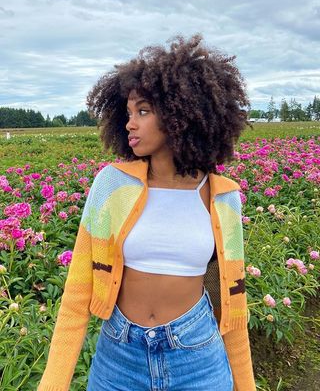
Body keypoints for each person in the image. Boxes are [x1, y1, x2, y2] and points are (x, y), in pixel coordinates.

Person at [38, 34, 256, 391]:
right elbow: (77, 292)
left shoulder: (223, 198)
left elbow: (232, 302)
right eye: (128, 113)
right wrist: (54, 383)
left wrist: (245, 385)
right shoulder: (111, 186)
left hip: (197, 357)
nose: (130, 124)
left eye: (143, 111)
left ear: (178, 114)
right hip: (119, 357)